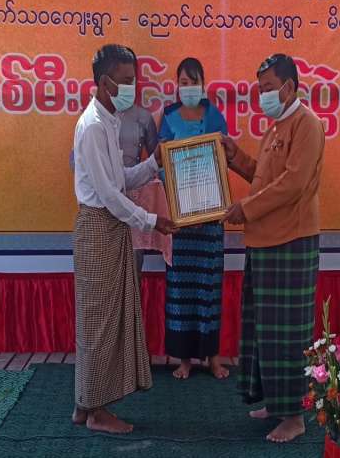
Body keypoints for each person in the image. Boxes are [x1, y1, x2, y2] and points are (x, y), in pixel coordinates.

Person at [72, 44, 176, 434]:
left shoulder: (109, 121)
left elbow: (121, 181)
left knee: (101, 320)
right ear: (105, 82)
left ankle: (85, 403)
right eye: (127, 81)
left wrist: (152, 163)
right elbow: (110, 196)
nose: (133, 88)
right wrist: (151, 221)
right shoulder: (93, 126)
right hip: (99, 227)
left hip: (110, 228)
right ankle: (97, 413)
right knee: (99, 323)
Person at [222, 53, 325, 443]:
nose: (262, 95)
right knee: (265, 330)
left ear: (289, 87)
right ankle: (275, 402)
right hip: (265, 241)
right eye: (259, 88)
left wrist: (245, 209)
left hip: (290, 242)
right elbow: (264, 179)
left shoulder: (307, 124)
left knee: (288, 334)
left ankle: (294, 415)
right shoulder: (277, 127)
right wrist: (234, 157)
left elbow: (292, 184)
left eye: (267, 88)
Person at [158, 58, 230, 381]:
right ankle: (184, 359)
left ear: (203, 84)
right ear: (177, 85)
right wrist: (181, 205)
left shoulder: (214, 116)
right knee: (181, 290)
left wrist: (205, 207)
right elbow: (161, 163)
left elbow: (222, 160)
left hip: (211, 217)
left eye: (193, 81)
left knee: (208, 290)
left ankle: (213, 358)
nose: (188, 87)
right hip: (179, 218)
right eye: (183, 82)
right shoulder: (168, 117)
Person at [117, 98, 159, 278]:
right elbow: (76, 161)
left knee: (134, 261)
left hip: (134, 198)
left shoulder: (144, 117)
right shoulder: (93, 119)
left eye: (130, 84)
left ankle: (134, 297)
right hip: (102, 202)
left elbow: (157, 159)